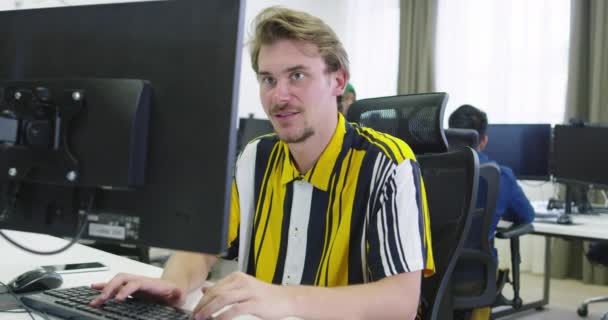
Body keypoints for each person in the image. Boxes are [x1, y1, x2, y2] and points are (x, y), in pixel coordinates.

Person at [90, 6, 434, 320]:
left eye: (297, 75)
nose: (278, 96)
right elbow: (204, 248)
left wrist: (283, 299)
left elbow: (400, 303)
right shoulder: (256, 157)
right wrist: (174, 284)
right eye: (268, 79)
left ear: (338, 81)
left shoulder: (387, 164)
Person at [448, 104, 535, 320]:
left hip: (431, 273)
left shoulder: (426, 169)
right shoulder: (500, 176)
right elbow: (527, 215)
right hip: (476, 276)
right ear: (484, 140)